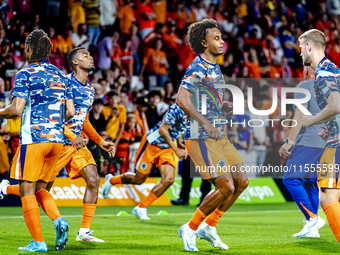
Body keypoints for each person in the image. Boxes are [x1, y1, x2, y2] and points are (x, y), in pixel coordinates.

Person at [0, 47, 116, 243]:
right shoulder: (63, 83)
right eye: (85, 55)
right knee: (38, 191)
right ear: (75, 62)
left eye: (90, 54)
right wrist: (71, 135)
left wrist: (101, 141)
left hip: (75, 145)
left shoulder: (89, 89)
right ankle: (5, 189)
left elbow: (84, 120)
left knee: (94, 179)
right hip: (56, 142)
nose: (90, 57)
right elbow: (52, 116)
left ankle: (84, 232)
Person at [175, 19, 248, 251]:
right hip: (200, 136)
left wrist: (222, 107)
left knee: (241, 182)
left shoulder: (215, 68)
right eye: (216, 38)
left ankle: (210, 225)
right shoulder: (197, 67)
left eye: (221, 37)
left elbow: (205, 100)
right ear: (203, 42)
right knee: (225, 186)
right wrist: (206, 121)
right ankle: (191, 228)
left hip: (219, 135)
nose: (221, 41)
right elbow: (181, 99)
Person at [0, 29, 74, 252]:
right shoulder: (62, 75)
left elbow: (16, 109)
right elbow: (70, 112)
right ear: (50, 49)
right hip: (57, 141)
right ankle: (58, 220)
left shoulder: (25, 73)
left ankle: (39, 242)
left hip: (33, 139)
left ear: (28, 48)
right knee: (41, 189)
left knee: (26, 191)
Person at [101, 103, 188, 220]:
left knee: (169, 180)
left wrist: (180, 142)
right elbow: (163, 129)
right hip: (152, 143)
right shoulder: (177, 108)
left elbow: (180, 128)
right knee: (139, 179)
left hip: (167, 147)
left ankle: (141, 207)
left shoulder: (196, 113)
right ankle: (111, 180)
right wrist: (176, 148)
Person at [300, 29, 340, 245]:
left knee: (327, 196)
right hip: (335, 136)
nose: (300, 54)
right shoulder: (334, 70)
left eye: (300, 48)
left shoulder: (324, 73)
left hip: (337, 144)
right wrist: (330, 126)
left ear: (309, 46)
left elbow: (335, 105)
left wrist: (312, 120)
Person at [279, 66, 326, 238]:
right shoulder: (328, 87)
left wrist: (289, 142)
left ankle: (312, 218)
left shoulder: (305, 86)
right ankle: (312, 230)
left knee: (290, 179)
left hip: (307, 140)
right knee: (310, 183)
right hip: (324, 141)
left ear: (306, 71)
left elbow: (299, 115)